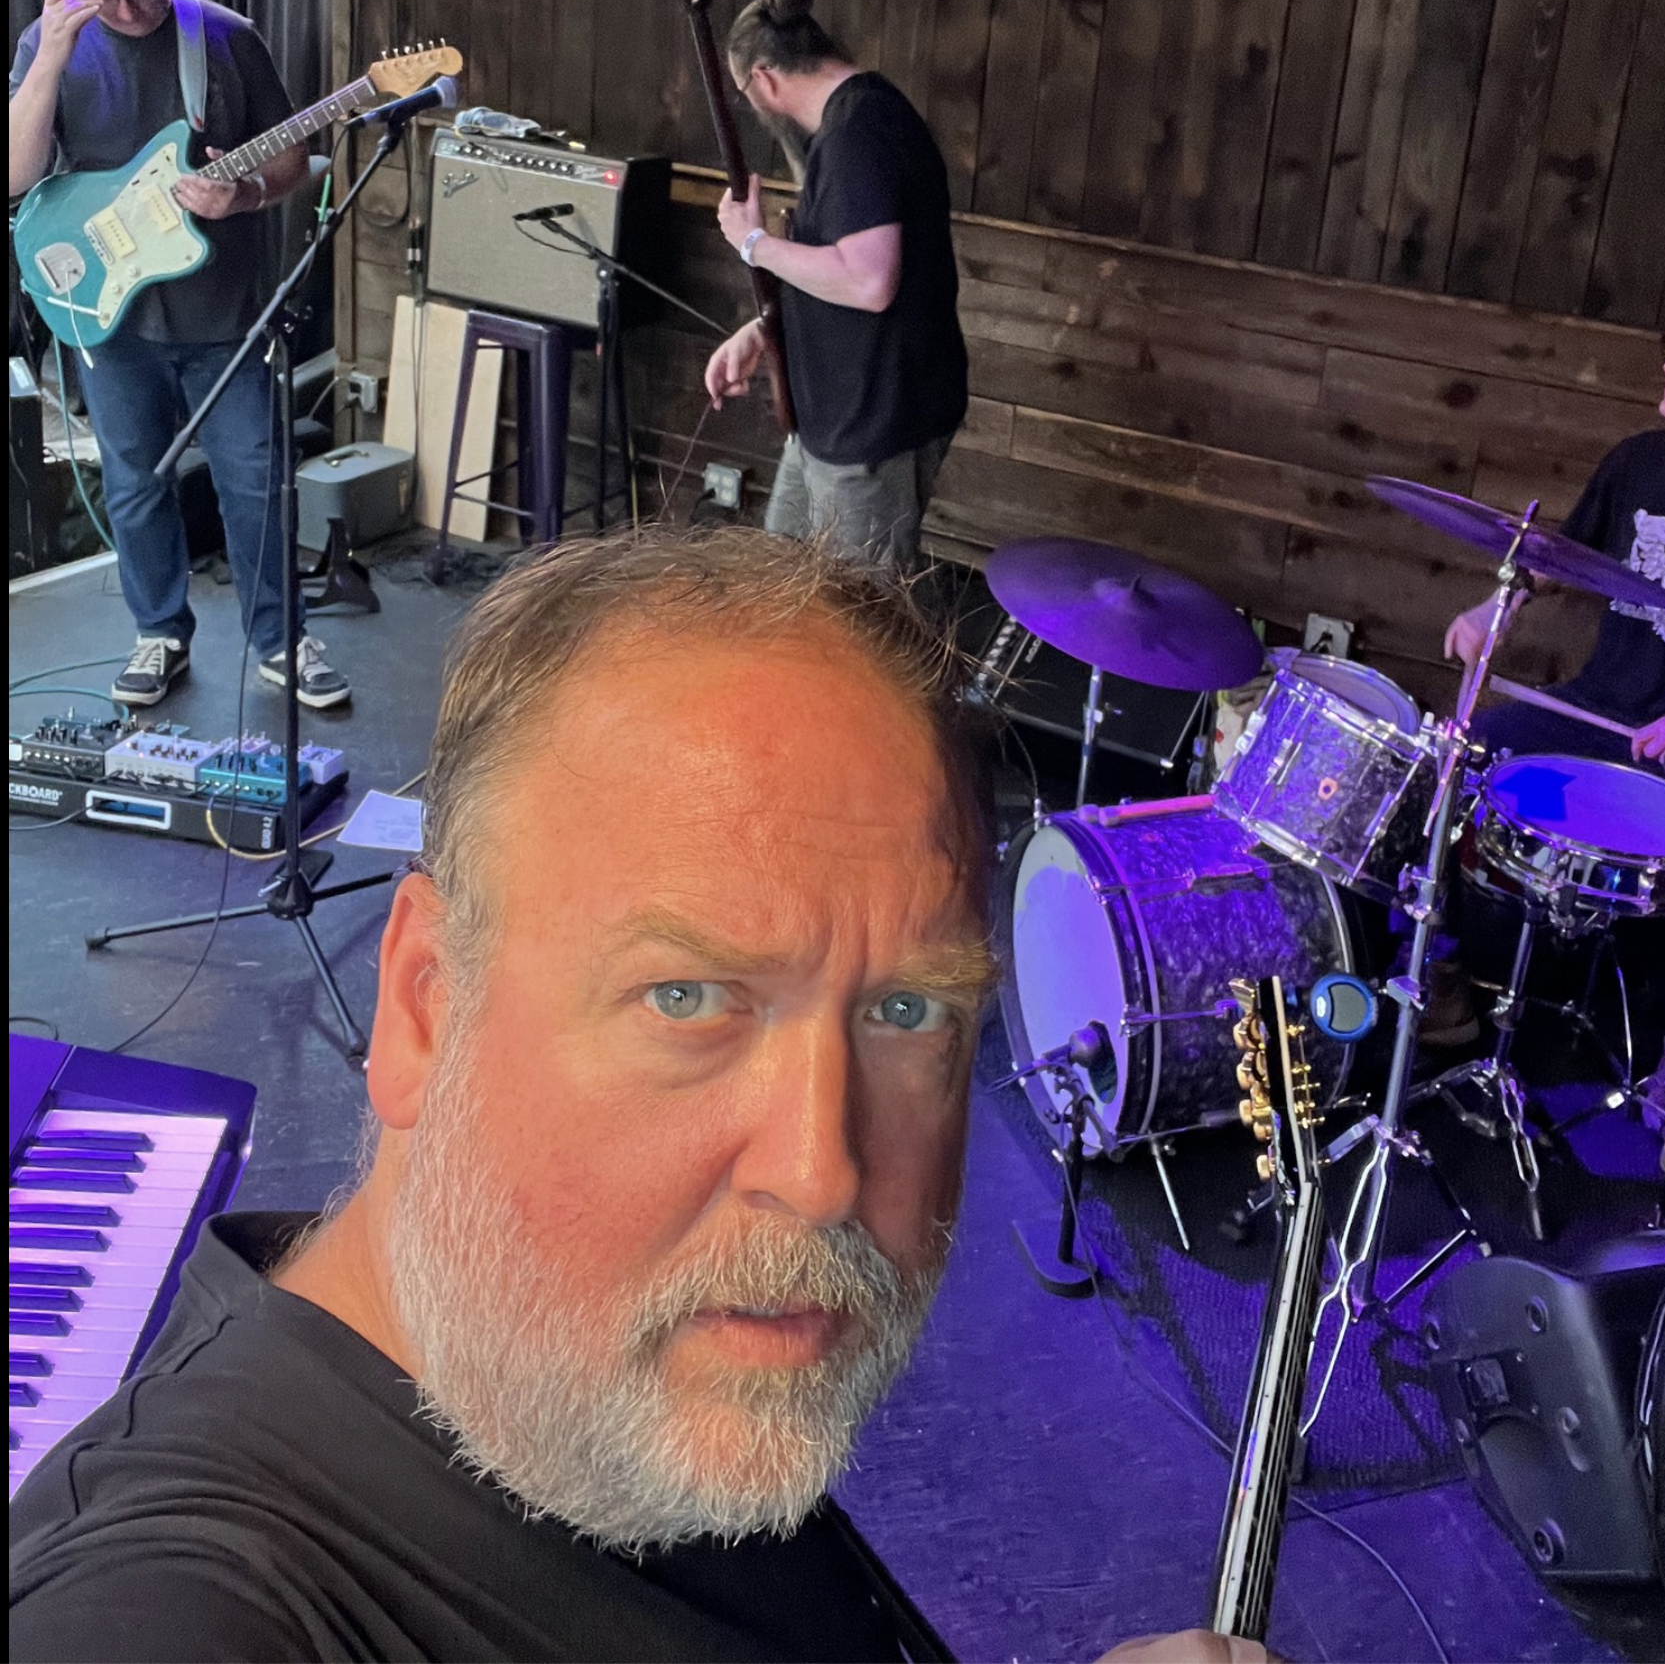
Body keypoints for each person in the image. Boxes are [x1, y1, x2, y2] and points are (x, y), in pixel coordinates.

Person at [9, 532, 1256, 1664]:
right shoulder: (195, 1595)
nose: (821, 1170)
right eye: (688, 997)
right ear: (424, 1005)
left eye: (905, 1010)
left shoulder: (586, 1387)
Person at [8, 0, 349, 711]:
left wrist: (242, 198)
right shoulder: (49, 42)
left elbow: (293, 162)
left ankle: (281, 640)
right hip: (108, 315)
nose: (126, 11)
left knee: (255, 477)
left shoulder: (223, 37)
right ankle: (158, 632)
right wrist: (50, 58)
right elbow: (17, 177)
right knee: (133, 480)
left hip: (226, 317)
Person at [1433, 295, 1665, 1083]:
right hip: (1599, 711)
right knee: (1454, 757)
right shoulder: (1637, 464)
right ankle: (1441, 976)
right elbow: (1557, 558)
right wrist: (1493, 605)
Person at [703, 0, 968, 571]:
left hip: (871, 428)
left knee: (859, 621)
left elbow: (870, 283)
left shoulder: (859, 134)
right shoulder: (854, 124)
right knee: (782, 581)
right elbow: (833, 267)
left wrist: (754, 244)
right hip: (832, 418)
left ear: (764, 80)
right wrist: (762, 332)